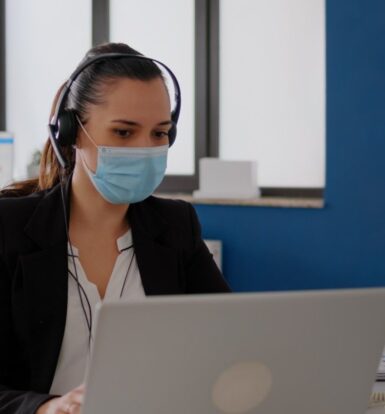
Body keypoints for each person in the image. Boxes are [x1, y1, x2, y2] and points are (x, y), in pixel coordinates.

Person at [0, 42, 230, 414]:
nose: (145, 148)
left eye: (159, 133)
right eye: (124, 133)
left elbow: (231, 341)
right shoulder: (8, 229)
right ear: (72, 132)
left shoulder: (176, 227)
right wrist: (46, 409)